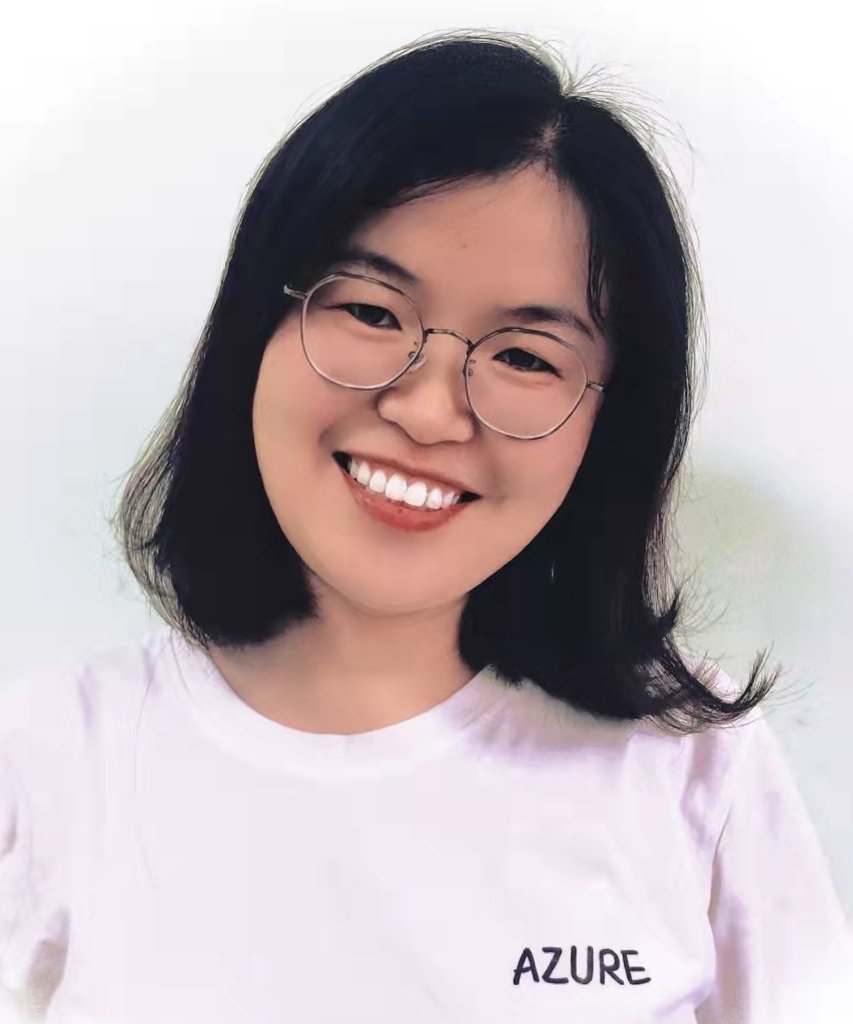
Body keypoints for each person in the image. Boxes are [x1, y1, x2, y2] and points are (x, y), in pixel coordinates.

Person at [1, 28, 850, 1024]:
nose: (429, 410)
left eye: (526, 357)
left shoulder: (690, 760)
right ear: (253, 329)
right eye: (370, 311)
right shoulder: (52, 754)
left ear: (608, 425)